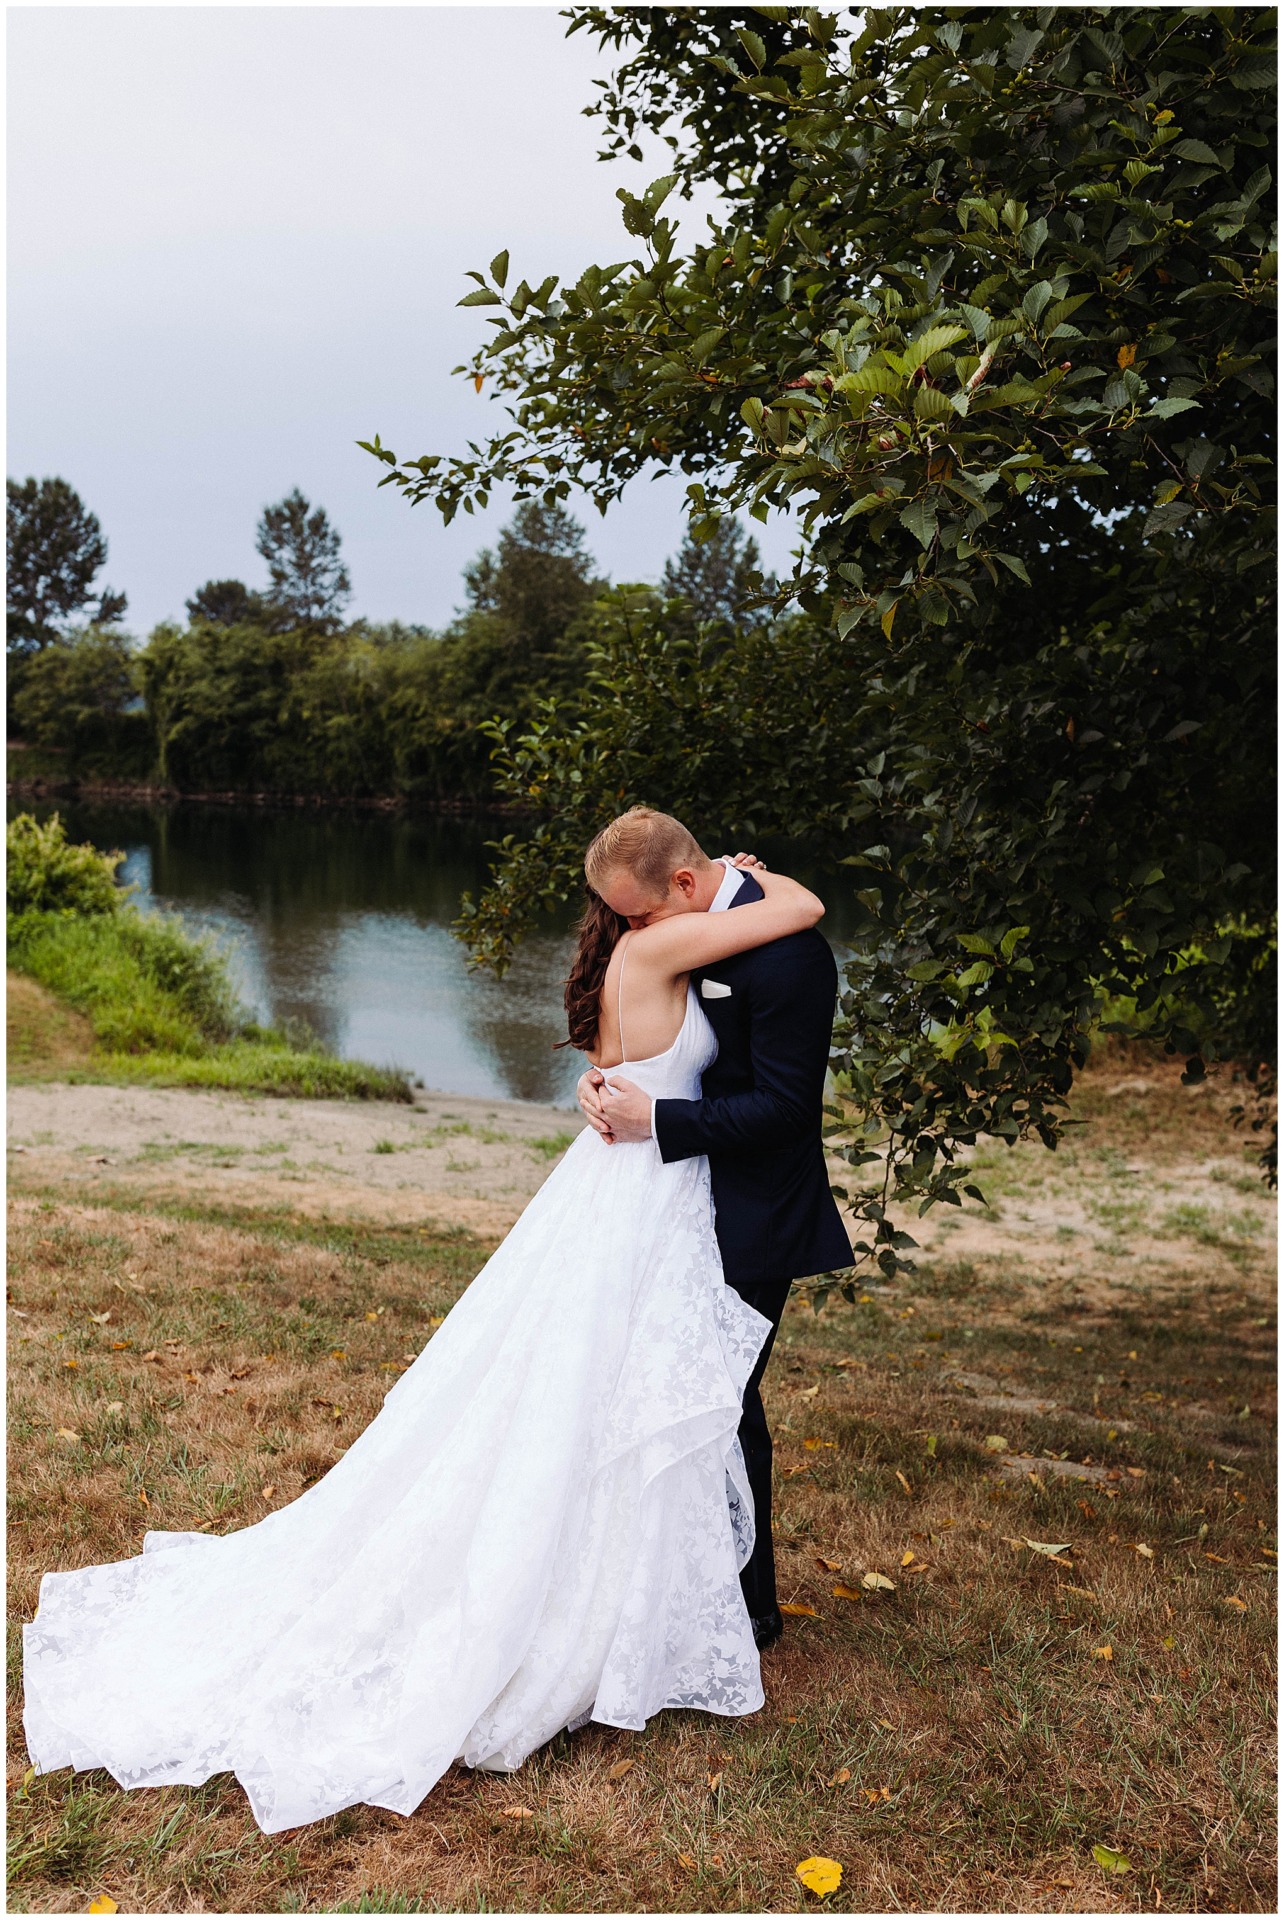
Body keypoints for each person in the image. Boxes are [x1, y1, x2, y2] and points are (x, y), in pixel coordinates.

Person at [22, 810, 828, 1836]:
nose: (615, 918)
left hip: (620, 1188)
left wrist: (726, 880)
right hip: (650, 1195)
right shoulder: (665, 937)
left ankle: (672, 1585)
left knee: (584, 1385)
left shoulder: (631, 946)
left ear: (663, 884)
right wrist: (753, 878)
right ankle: (635, 1599)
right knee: (627, 1392)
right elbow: (799, 906)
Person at [577, 808, 851, 1650]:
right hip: (672, 1200)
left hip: (756, 1205)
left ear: (686, 885)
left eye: (642, 913)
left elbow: (780, 1110)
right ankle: (698, 1591)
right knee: (683, 1397)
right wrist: (606, 1089)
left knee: (721, 1402)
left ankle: (747, 1605)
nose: (630, 929)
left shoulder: (788, 954)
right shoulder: (683, 926)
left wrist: (655, 1117)